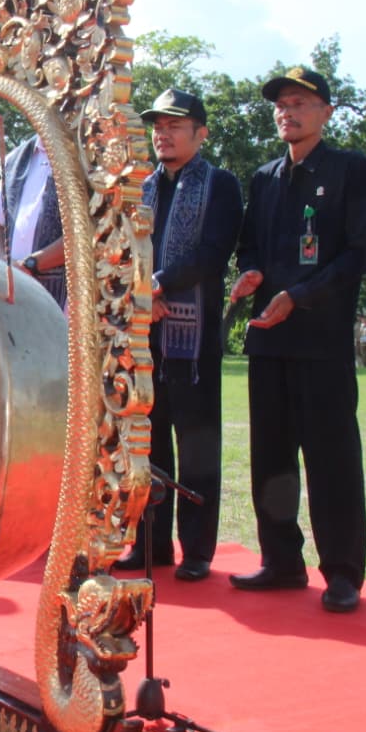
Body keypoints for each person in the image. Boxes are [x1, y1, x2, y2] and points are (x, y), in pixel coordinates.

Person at [229, 67, 366, 614]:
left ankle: (342, 572)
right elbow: (249, 248)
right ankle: (282, 561)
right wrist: (247, 276)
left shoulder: (349, 170)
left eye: (298, 103)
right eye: (280, 105)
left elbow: (361, 252)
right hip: (268, 341)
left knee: (331, 457)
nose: (286, 113)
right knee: (271, 457)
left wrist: (300, 295)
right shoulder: (265, 178)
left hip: (321, 341)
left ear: (325, 113)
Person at [111, 89, 242, 582]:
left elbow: (213, 253)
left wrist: (156, 286)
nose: (162, 134)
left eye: (175, 125)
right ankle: (150, 543)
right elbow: (122, 249)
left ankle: (198, 549)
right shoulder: (138, 187)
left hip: (194, 340)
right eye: (157, 126)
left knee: (197, 444)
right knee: (144, 444)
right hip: (144, 335)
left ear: (200, 133)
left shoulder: (220, 185)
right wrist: (143, 295)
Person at [0, 134, 67, 309]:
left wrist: (30, 265)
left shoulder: (84, 157)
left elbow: (86, 233)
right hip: (12, 286)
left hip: (66, 296)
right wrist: (3, 266)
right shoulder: (14, 160)